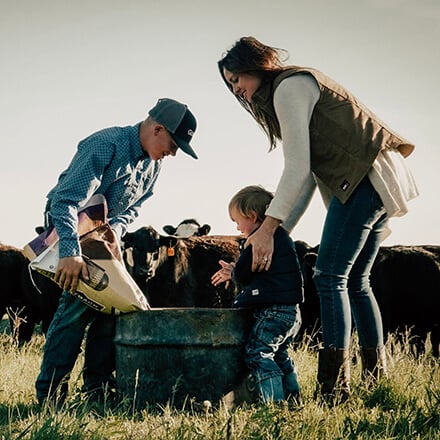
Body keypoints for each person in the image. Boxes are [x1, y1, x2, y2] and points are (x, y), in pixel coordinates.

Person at [218, 37, 418, 402]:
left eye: (237, 80)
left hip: (366, 176)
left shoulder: (289, 87)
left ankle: (333, 389)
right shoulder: (288, 89)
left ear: (253, 65)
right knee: (356, 280)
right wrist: (275, 233)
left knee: (329, 276)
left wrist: (268, 227)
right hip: (376, 173)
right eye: (230, 85)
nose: (237, 90)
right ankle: (375, 381)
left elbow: (296, 168)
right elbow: (307, 176)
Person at [35, 97, 198, 407]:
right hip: (69, 231)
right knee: (75, 308)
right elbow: (66, 202)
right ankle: (50, 397)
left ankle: (96, 391)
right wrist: (71, 252)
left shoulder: (153, 166)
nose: (173, 153)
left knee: (113, 309)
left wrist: (115, 236)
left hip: (104, 239)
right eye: (174, 144)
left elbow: (130, 211)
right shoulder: (106, 144)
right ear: (158, 129)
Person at [212, 185, 304, 404]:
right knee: (280, 355)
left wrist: (233, 272)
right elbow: (259, 271)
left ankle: (274, 403)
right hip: (292, 312)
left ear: (251, 216)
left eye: (236, 221)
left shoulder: (256, 240)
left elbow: (243, 274)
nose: (236, 227)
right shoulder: (281, 238)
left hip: (272, 312)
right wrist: (235, 269)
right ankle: (293, 399)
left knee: (257, 353)